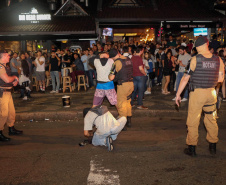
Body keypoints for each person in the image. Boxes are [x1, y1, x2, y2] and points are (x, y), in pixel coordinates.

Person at [175, 36, 225, 157]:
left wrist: (178, 94)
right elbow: (220, 79)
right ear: (207, 44)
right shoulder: (218, 59)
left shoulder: (195, 59)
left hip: (197, 93)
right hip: (211, 93)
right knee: (211, 119)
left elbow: (185, 78)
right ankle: (212, 145)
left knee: (193, 120)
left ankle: (192, 148)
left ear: (197, 47)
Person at [0, 50, 23, 142]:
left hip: (8, 92)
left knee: (11, 113)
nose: (9, 57)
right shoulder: (0, 67)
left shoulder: (5, 66)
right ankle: (0, 132)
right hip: (3, 93)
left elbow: (9, 80)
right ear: (3, 56)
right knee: (3, 114)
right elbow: (6, 79)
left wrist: (14, 81)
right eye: (8, 56)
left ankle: (11, 128)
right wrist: (15, 78)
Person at [108, 48, 134, 130]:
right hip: (131, 84)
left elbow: (111, 77)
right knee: (128, 102)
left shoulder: (117, 62)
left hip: (123, 85)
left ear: (111, 57)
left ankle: (123, 124)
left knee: (121, 104)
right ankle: (129, 121)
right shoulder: (128, 59)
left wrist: (108, 75)